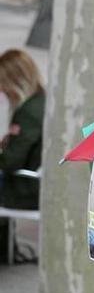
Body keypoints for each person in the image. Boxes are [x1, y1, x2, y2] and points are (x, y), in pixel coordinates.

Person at [0, 49, 44, 263]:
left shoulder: (27, 112)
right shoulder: (40, 101)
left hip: (25, 186)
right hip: (33, 180)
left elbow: (11, 161)